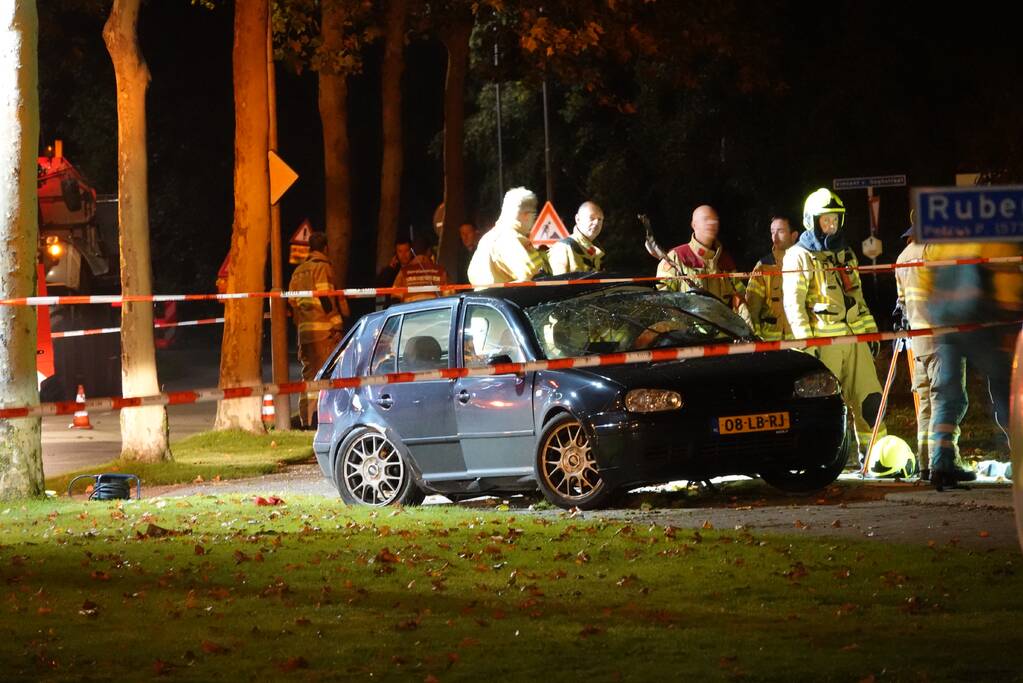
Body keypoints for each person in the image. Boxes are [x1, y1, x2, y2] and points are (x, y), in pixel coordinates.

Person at [782, 188, 886, 457]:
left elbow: (857, 298)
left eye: (835, 220)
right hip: (823, 342)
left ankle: (877, 456)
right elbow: (794, 305)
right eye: (825, 220)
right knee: (822, 405)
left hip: (854, 340)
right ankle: (821, 458)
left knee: (871, 400)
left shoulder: (846, 254)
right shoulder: (798, 256)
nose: (831, 226)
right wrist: (807, 345)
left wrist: (870, 334)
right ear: (812, 221)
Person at [924, 240, 1023, 490]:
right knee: (1005, 391)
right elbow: (1007, 280)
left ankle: (942, 464)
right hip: (982, 322)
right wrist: (1011, 320)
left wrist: (935, 318)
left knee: (949, 395)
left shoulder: (942, 241)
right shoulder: (993, 237)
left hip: (946, 324)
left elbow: (926, 280)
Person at [288, 231, 350, 428]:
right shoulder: (323, 268)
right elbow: (325, 298)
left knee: (308, 378)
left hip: (304, 334)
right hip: (323, 331)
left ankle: (306, 420)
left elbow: (292, 303)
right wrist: (337, 324)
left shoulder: (298, 271)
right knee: (325, 376)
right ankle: (321, 421)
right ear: (325, 248)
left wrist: (300, 326)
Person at [894, 222, 940, 481]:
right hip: (939, 337)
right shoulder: (934, 251)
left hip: (917, 341)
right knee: (943, 401)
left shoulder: (901, 258)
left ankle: (924, 464)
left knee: (924, 405)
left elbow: (901, 303)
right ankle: (941, 463)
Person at [656, 204, 748, 319]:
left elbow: (740, 295)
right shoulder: (677, 257)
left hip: (724, 334)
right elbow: (664, 300)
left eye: (715, 220)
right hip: (689, 334)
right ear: (694, 225)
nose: (711, 223)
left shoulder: (725, 260)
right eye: (706, 219)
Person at [468, 187, 548, 286]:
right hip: (510, 300)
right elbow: (535, 276)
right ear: (526, 215)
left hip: (488, 299)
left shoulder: (488, 238)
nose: (534, 220)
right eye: (534, 215)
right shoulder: (510, 239)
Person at [746, 216, 798, 341]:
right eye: (772, 232)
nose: (775, 237)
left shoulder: (805, 264)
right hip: (771, 343)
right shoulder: (763, 266)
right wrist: (756, 339)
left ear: (794, 235)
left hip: (800, 342)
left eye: (780, 231)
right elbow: (752, 308)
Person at [547, 201, 606, 275]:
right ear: (577, 219)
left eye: (600, 219)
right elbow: (558, 285)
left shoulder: (597, 251)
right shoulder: (563, 248)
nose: (596, 222)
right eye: (592, 218)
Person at [392, 233, 449, 303]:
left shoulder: (404, 272)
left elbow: (395, 298)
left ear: (412, 252)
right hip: (435, 312)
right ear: (429, 251)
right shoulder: (441, 271)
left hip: (411, 312)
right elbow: (449, 295)